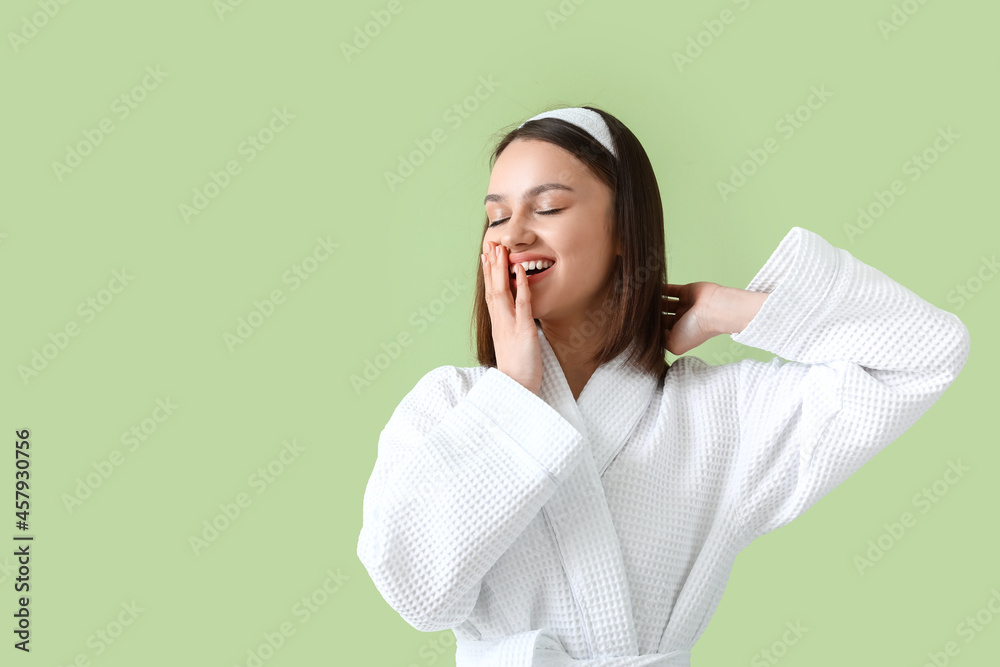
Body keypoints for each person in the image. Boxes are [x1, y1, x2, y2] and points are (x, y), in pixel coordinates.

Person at [356, 106, 971, 666]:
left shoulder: (719, 416)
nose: (513, 235)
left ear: (624, 228)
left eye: (547, 208)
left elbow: (925, 354)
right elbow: (418, 591)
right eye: (496, 216)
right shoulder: (446, 408)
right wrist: (515, 393)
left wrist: (737, 310)